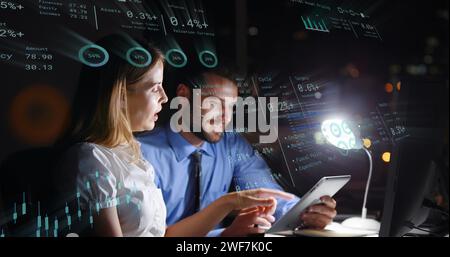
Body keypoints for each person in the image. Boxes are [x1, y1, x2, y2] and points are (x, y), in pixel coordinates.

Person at [55, 34, 293, 237]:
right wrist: (227, 204)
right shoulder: (94, 159)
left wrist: (229, 219)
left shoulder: (131, 155)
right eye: (154, 87)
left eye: (230, 107)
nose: (164, 98)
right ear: (120, 94)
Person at [135, 67, 338, 237]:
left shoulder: (230, 144)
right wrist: (225, 235)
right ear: (183, 95)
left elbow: (265, 193)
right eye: (215, 104)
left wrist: (306, 211)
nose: (226, 117)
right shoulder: (141, 152)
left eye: (231, 108)